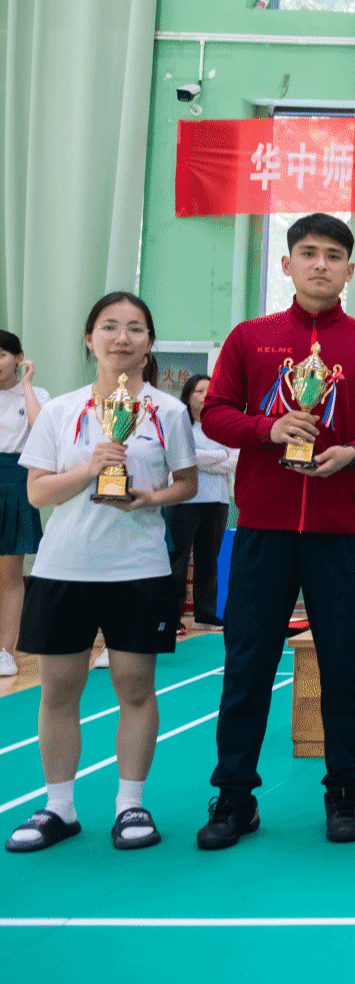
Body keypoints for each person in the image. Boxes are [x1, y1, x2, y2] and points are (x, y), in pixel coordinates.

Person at [197, 213, 355, 849]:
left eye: (333, 255)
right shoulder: (250, 338)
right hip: (263, 527)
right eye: (308, 253)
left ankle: (344, 793)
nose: (321, 264)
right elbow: (215, 414)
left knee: (345, 665)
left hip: (341, 530)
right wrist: (268, 429)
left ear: (349, 269)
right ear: (286, 264)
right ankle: (235, 797)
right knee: (247, 664)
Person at [5, 294, 196, 852]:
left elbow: (186, 483)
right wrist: (90, 467)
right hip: (64, 568)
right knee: (59, 690)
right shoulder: (61, 411)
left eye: (135, 328)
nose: (122, 338)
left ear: (149, 343)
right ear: (90, 340)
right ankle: (58, 808)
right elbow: (37, 492)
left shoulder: (169, 412)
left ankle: (130, 805)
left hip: (139, 569)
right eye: (109, 327)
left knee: (134, 688)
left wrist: (149, 499)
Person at [165, 374, 236, 630]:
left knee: (209, 560)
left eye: (210, 390)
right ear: (188, 396)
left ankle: (205, 614)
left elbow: (234, 460)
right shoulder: (179, 425)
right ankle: (171, 618)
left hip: (217, 501)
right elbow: (181, 458)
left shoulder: (223, 425)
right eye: (199, 391)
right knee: (178, 560)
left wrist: (199, 460)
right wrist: (219, 455)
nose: (206, 395)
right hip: (183, 500)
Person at [0, 330, 48, 678]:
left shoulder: (37, 393)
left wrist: (27, 384)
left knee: (10, 575)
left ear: (19, 358)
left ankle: (5, 651)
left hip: (15, 481)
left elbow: (40, 428)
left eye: (1, 355)